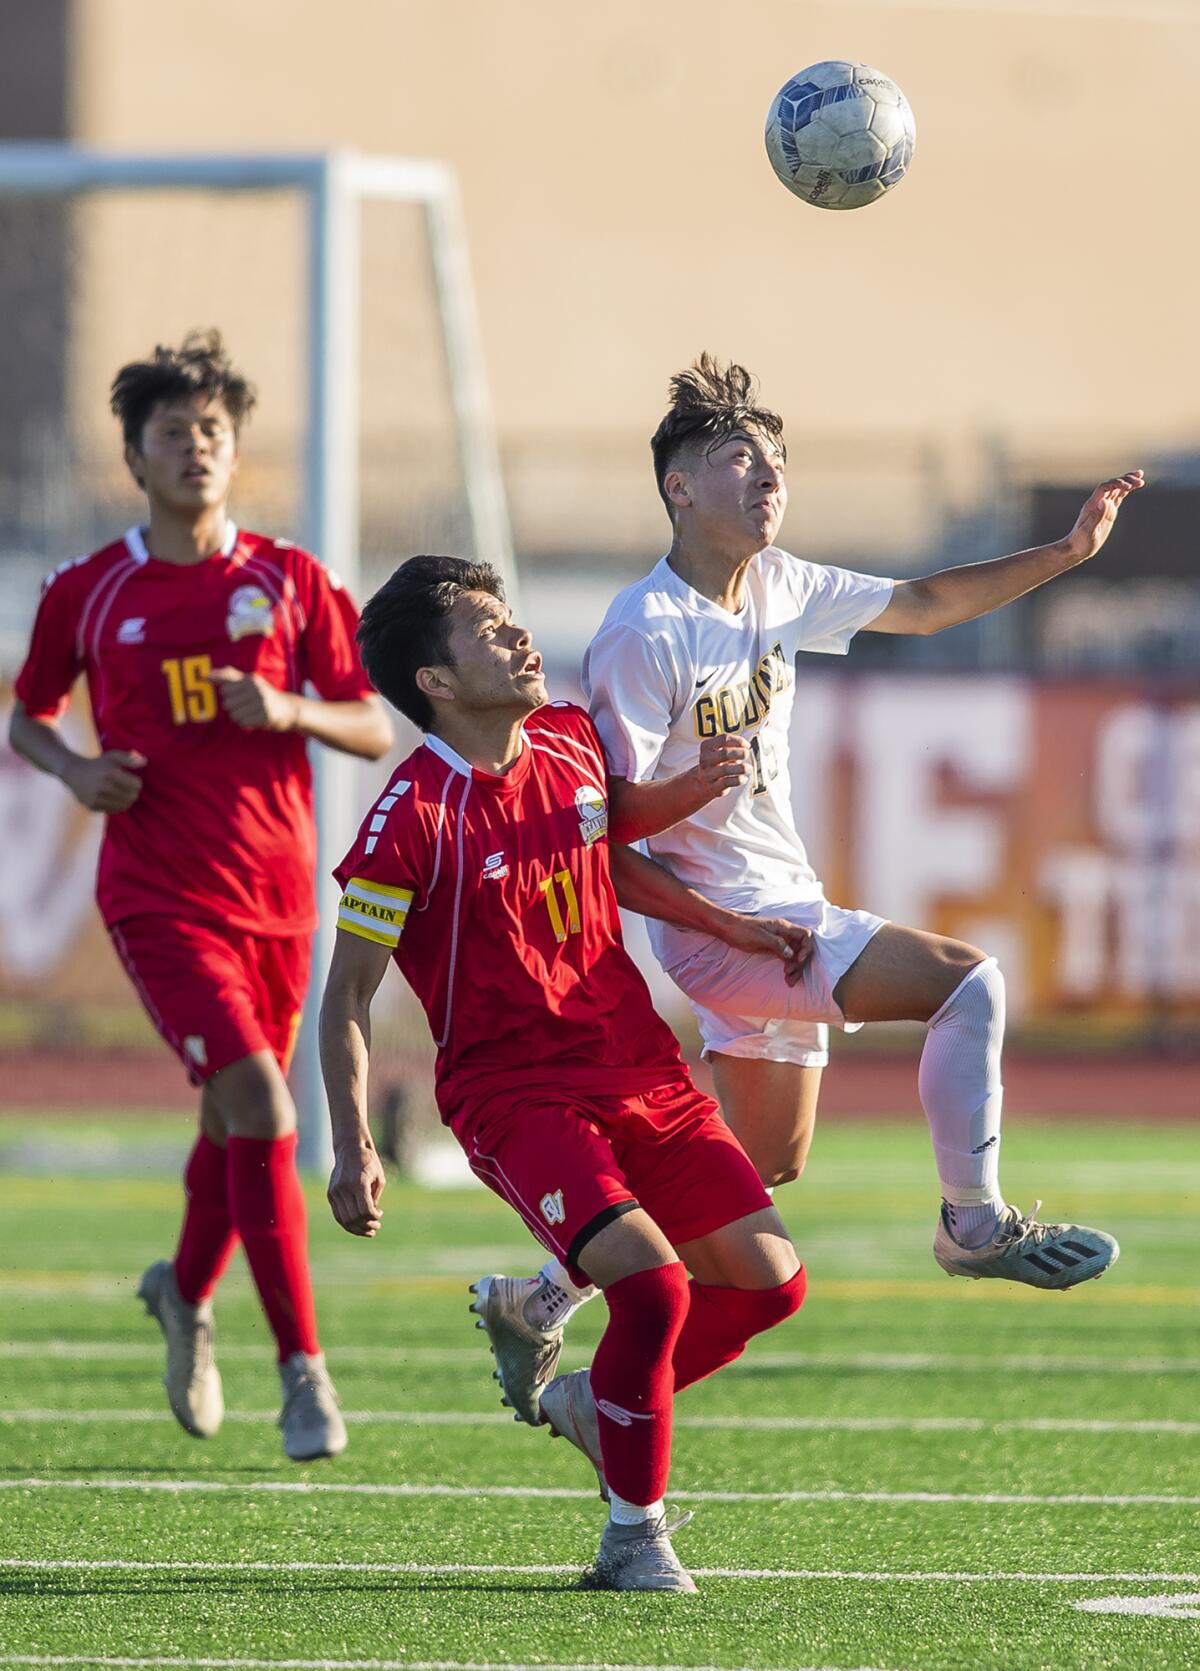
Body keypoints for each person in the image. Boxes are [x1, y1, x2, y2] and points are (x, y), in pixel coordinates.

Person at [476, 354, 1141, 1408]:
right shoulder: (643, 636)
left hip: (776, 915)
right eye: (739, 455)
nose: (768, 474)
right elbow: (597, 841)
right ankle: (972, 1222)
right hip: (727, 929)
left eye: (778, 459)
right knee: (970, 983)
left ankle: (539, 1302)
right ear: (679, 488)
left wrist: (1066, 552)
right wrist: (720, 924)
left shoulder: (781, 586)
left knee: (760, 1168)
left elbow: (921, 602)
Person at [320, 554, 810, 1592]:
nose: (518, 635)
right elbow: (347, 998)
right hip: (516, 1094)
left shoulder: (570, 734)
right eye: (487, 629)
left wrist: (728, 918)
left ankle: (596, 1404)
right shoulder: (404, 824)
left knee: (772, 1286)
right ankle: (635, 1535)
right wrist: (353, 1143)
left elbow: (605, 833)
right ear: (437, 683)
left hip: (639, 1065)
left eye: (512, 617)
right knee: (656, 1288)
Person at [9, 331, 393, 1460]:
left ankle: (183, 1292)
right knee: (268, 1108)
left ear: (235, 451)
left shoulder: (291, 580)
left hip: (279, 899)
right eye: (171, 434)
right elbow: (28, 716)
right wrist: (78, 768)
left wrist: (290, 713)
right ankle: (303, 1374)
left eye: (212, 433)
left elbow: (370, 724)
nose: (195, 450)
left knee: (231, 1118)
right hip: (157, 896)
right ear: (133, 457)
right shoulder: (88, 591)